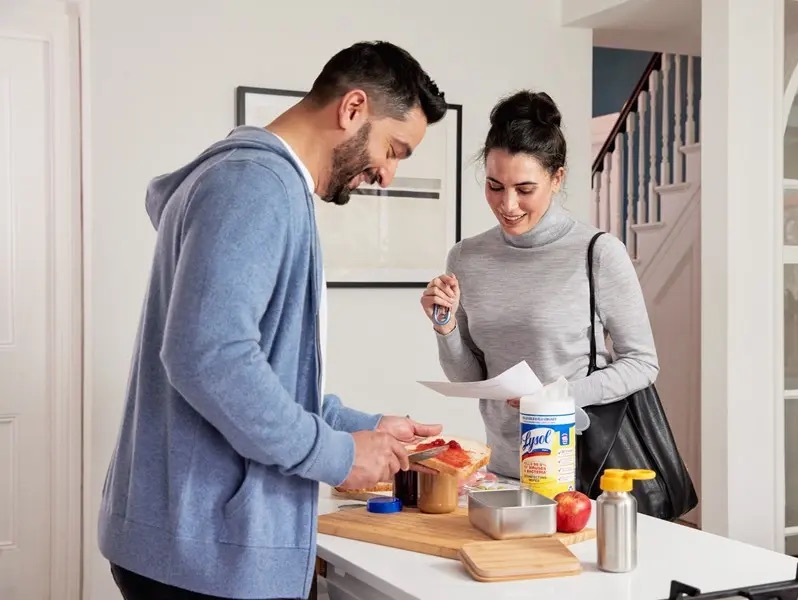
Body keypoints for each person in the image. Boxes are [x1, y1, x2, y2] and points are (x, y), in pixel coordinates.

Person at [99, 41, 447, 600]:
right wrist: (338, 455)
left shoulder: (249, 180)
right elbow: (209, 358)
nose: (388, 173)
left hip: (195, 549)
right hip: (206, 559)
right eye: (394, 148)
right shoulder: (256, 185)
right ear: (353, 108)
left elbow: (261, 369)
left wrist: (366, 425)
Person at [419, 90, 659, 480]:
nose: (507, 205)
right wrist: (444, 328)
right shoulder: (466, 257)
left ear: (557, 177)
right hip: (500, 465)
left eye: (524, 189)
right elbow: (469, 379)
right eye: (495, 186)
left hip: (581, 467)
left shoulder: (598, 252)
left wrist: (558, 396)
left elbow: (642, 363)